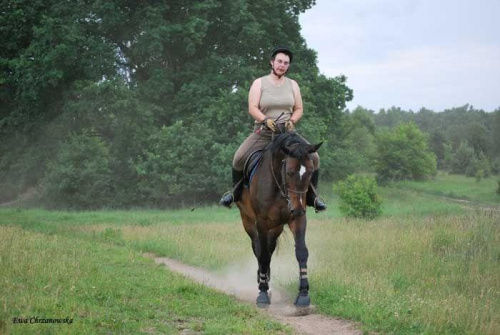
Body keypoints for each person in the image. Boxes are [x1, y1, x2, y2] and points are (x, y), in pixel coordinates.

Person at [219, 46, 326, 212]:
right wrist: (265, 119)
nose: (282, 65)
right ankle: (235, 193)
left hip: (288, 132)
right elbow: (252, 107)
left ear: (288, 66)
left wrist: (292, 120)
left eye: (286, 63)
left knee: (315, 157)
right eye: (279, 61)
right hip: (264, 131)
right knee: (238, 158)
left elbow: (299, 108)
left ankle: (313, 196)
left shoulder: (293, 85)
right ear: (272, 62)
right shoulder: (259, 83)